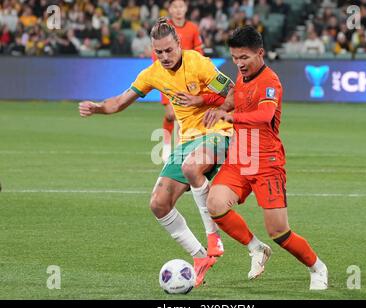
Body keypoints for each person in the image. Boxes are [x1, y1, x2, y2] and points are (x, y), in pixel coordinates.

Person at [78, 18, 233, 287]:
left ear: (179, 45)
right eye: (158, 52)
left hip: (216, 131)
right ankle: (199, 257)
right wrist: (98, 108)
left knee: (192, 166)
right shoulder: (152, 74)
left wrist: (203, 101)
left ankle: (213, 236)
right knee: (158, 204)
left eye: (169, 50)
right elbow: (120, 101)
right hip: (187, 140)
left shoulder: (198, 62)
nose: (164, 57)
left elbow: (232, 92)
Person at [203, 26, 328, 290]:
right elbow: (236, 96)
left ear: (260, 53)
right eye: (235, 58)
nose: (239, 63)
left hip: (267, 162)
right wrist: (220, 107)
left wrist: (230, 117)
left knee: (278, 231)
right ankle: (255, 248)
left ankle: (316, 266)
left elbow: (264, 116)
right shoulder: (242, 74)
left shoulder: (270, 82)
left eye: (244, 58)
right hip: (240, 157)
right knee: (214, 203)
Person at [157, 0, 204, 162]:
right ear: (170, 9)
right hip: (168, 75)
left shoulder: (193, 28)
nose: (178, 10)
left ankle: (179, 150)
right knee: (170, 114)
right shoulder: (163, 28)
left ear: (186, 8)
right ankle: (166, 145)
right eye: (175, 7)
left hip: (188, 77)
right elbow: (156, 51)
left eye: (181, 7)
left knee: (184, 116)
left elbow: (199, 51)